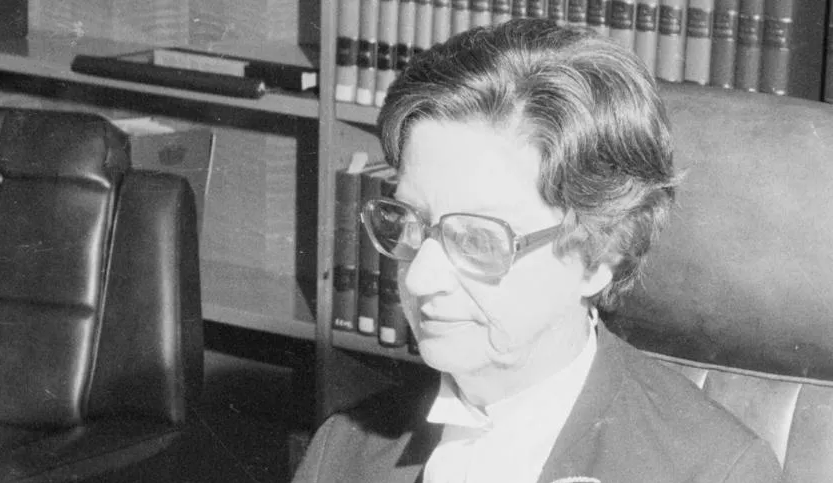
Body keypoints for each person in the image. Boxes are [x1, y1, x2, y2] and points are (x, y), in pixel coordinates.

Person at [292, 18, 782, 483]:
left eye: (478, 239)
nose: (419, 279)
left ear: (600, 250)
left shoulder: (718, 473)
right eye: (411, 223)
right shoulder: (341, 451)